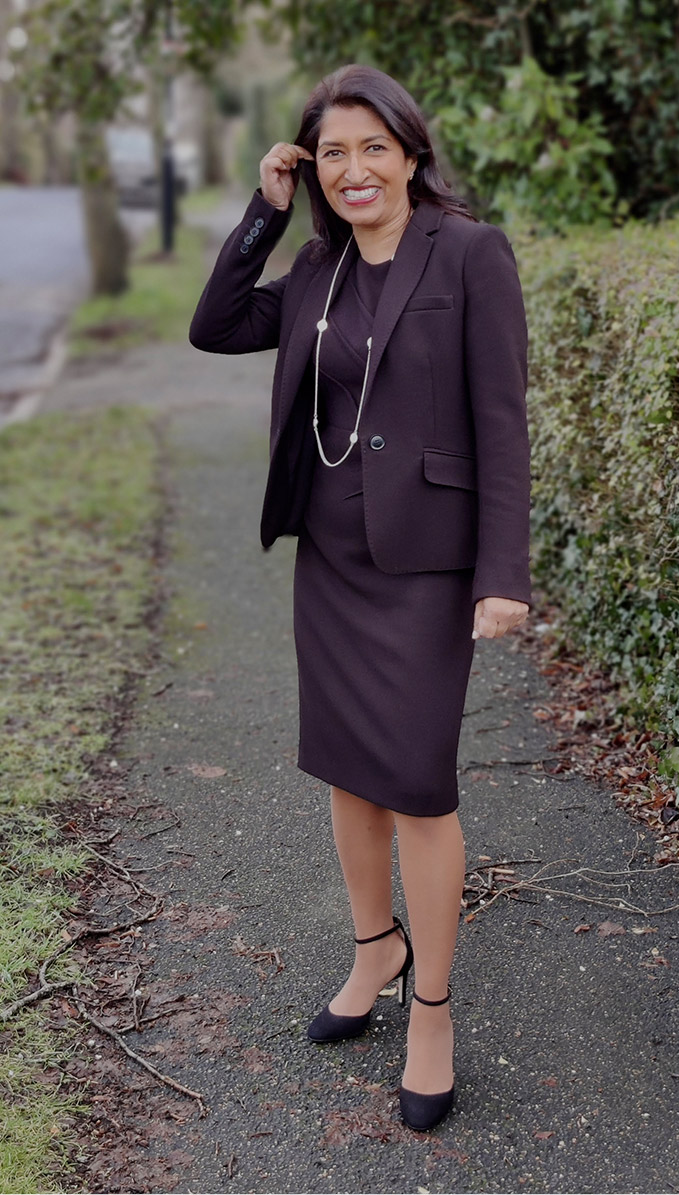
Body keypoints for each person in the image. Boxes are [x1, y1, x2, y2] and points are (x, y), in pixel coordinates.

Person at [189, 63, 531, 1133]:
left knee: (419, 784)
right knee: (347, 765)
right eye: (330, 152)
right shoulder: (314, 267)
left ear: (410, 152)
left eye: (370, 148)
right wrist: (263, 208)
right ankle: (371, 949)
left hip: (427, 566)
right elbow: (214, 324)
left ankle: (429, 1008)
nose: (352, 170)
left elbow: (501, 420)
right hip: (330, 561)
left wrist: (502, 576)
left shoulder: (468, 253)